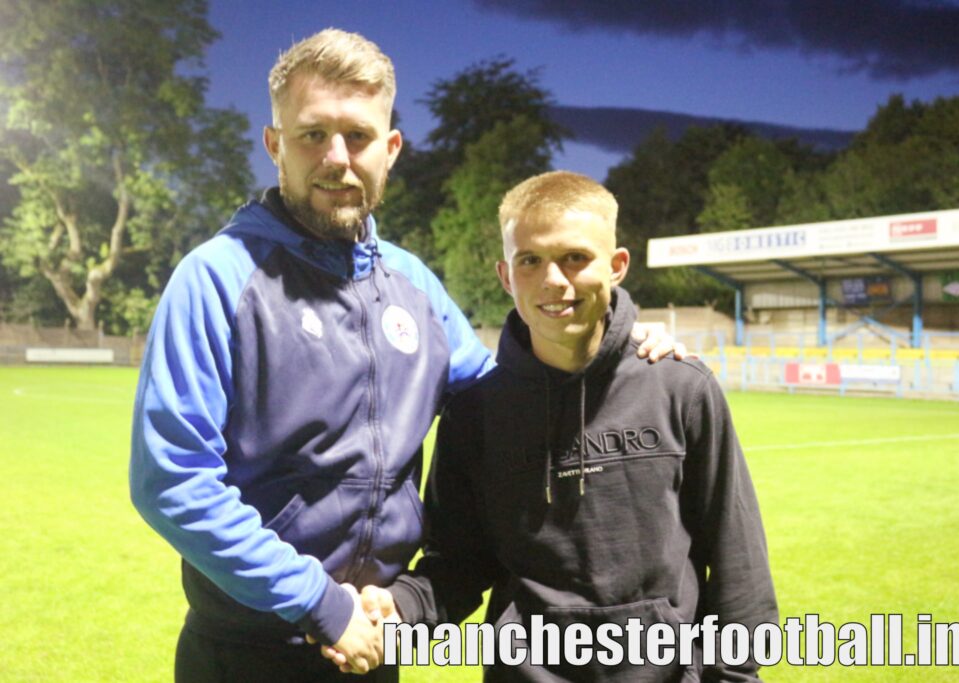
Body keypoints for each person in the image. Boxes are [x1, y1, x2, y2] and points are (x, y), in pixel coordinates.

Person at [129, 30, 685, 683]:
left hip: (375, 641)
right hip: (250, 652)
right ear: (274, 144)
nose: (337, 158)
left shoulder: (411, 284)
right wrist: (319, 601)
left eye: (358, 137)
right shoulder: (216, 279)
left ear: (390, 149)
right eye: (312, 135)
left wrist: (618, 342)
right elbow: (172, 480)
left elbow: (506, 395)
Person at [350, 171, 777, 681]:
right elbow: (459, 564)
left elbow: (738, 563)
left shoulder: (680, 388)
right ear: (506, 276)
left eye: (575, 257)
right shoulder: (474, 414)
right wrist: (400, 607)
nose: (554, 280)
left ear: (617, 266)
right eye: (530, 260)